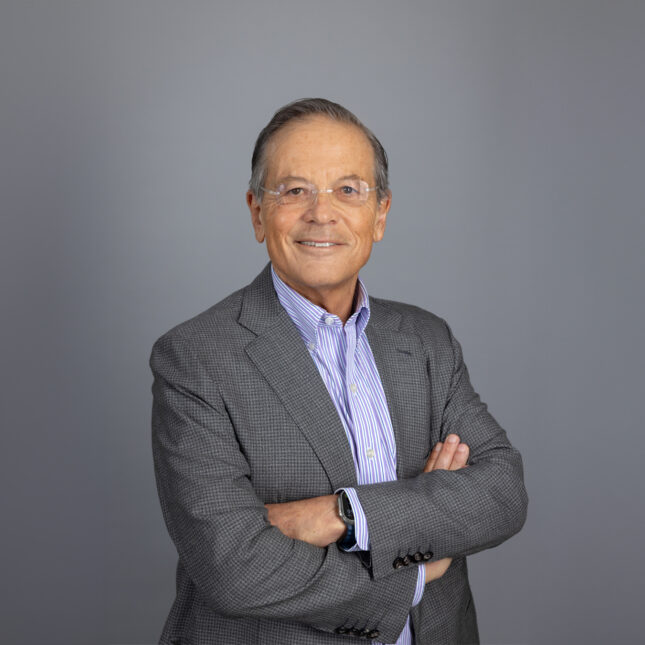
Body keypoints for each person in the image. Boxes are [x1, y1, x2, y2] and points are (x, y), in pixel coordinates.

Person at [149, 97, 528, 645]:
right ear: (258, 212)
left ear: (380, 215)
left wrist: (344, 514)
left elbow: (501, 493)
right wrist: (417, 568)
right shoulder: (196, 359)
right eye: (294, 190)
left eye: (348, 190)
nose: (321, 212)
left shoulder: (427, 341)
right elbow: (234, 568)